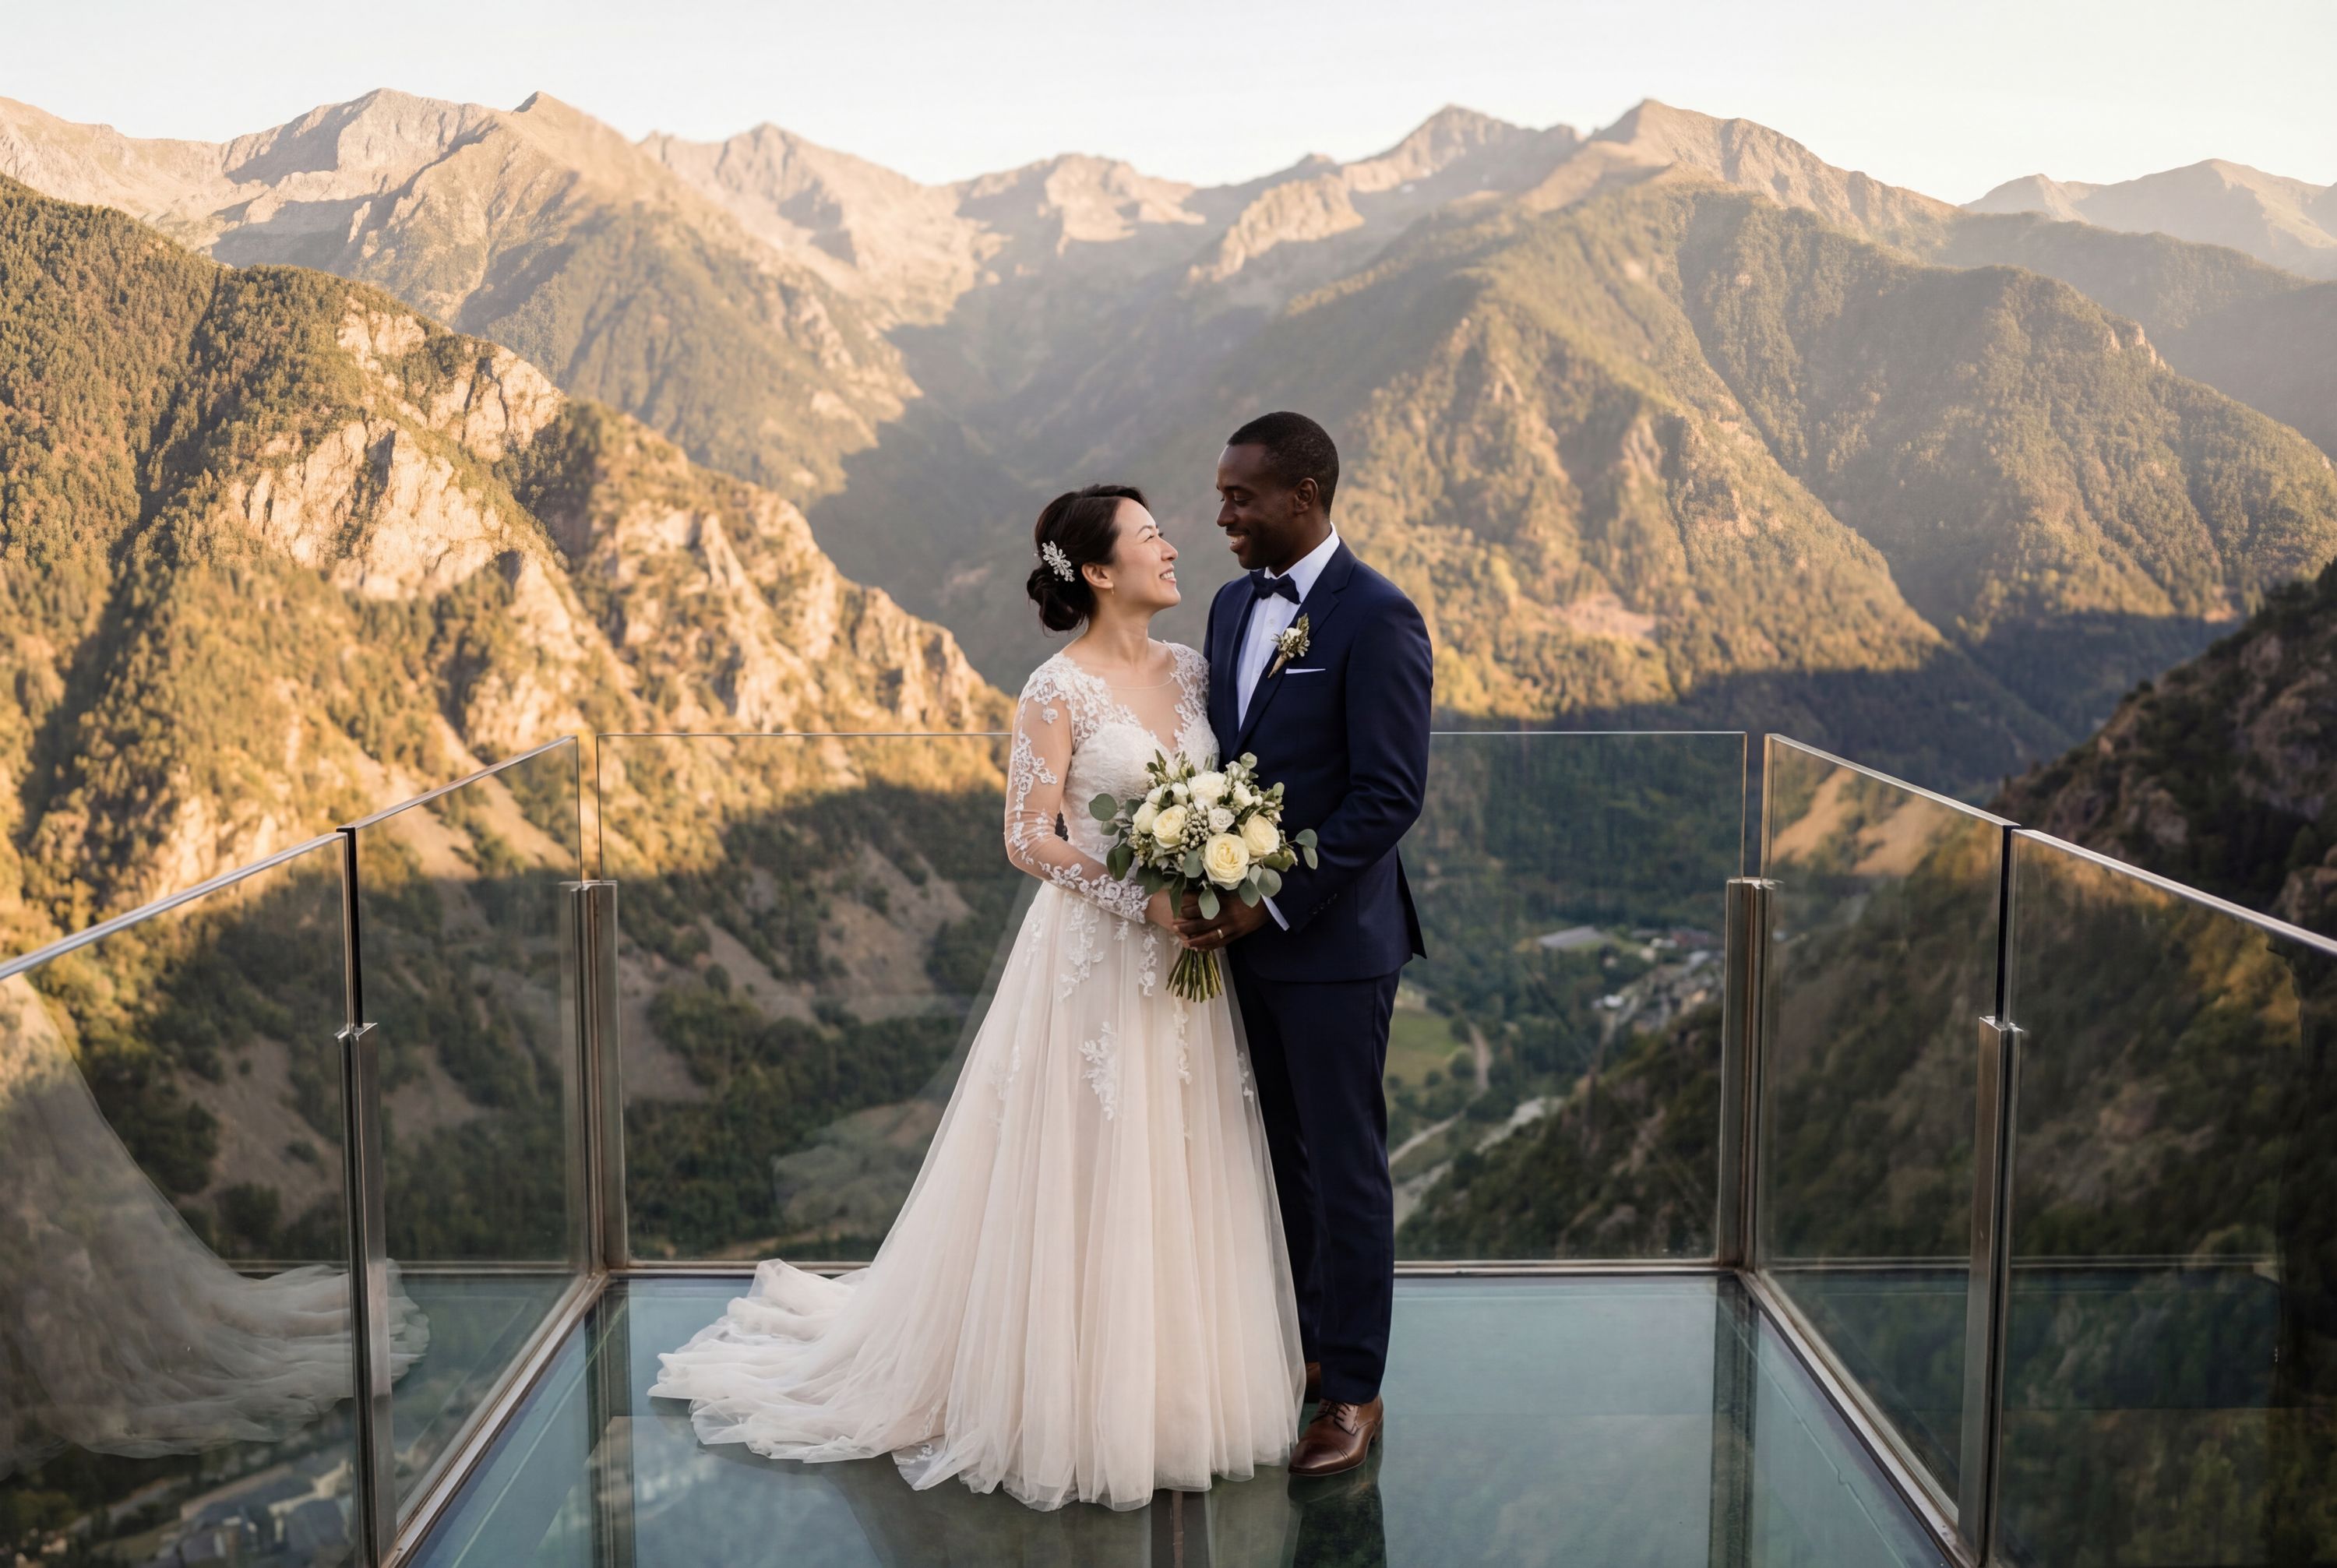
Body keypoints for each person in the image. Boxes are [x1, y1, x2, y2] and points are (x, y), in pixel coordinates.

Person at [650, 484, 1304, 1511]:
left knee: (1179, 1157)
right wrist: (1144, 897)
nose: (1172, 546)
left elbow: (1226, 790)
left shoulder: (1194, 672)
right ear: (1097, 571)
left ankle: (1172, 1393)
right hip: (1095, 957)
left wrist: (1221, 867)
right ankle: (1069, 1401)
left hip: (1189, 968)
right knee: (1089, 1163)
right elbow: (1027, 835)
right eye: (1149, 536)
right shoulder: (1054, 689)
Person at [1177, 411, 1433, 1478]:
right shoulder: (1234, 605)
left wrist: (1270, 902)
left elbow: (1387, 798)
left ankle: (1356, 1391)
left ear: (1307, 495)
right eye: (1224, 493)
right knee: (1279, 1163)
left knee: (1348, 1170)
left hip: (1331, 945)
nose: (1225, 513)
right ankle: (1311, 1353)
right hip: (1242, 944)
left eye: (1242, 496)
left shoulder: (1379, 617)